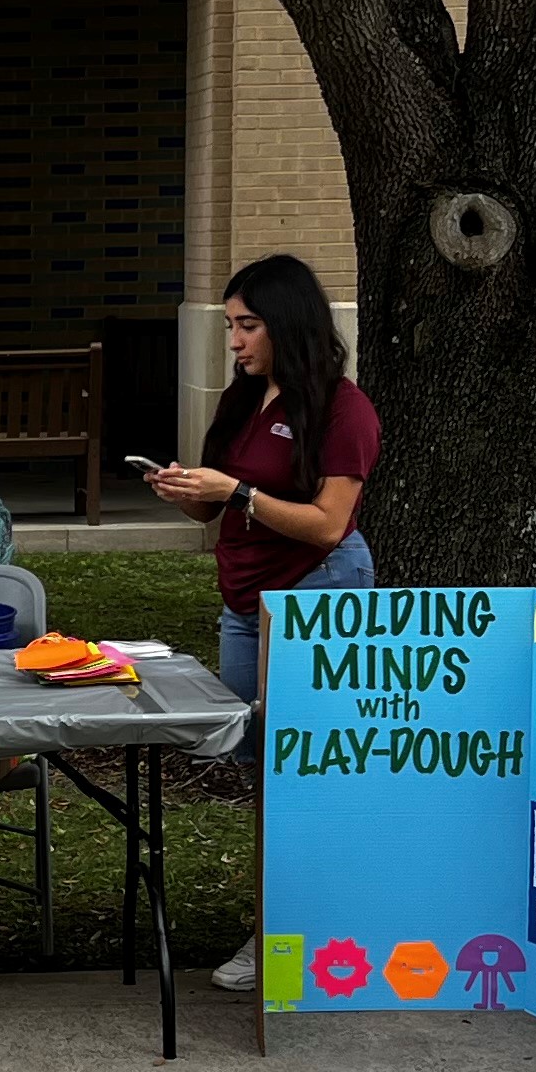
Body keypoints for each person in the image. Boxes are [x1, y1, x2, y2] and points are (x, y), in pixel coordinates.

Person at [143, 253, 380, 996]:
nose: (236, 342)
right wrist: (185, 490)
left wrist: (238, 491)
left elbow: (327, 525)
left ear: (288, 323)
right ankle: (296, 921)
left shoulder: (343, 409)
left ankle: (301, 933)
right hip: (245, 607)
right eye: (231, 327)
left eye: (247, 326)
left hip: (317, 593)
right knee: (263, 768)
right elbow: (214, 507)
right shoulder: (242, 400)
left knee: (307, 772)